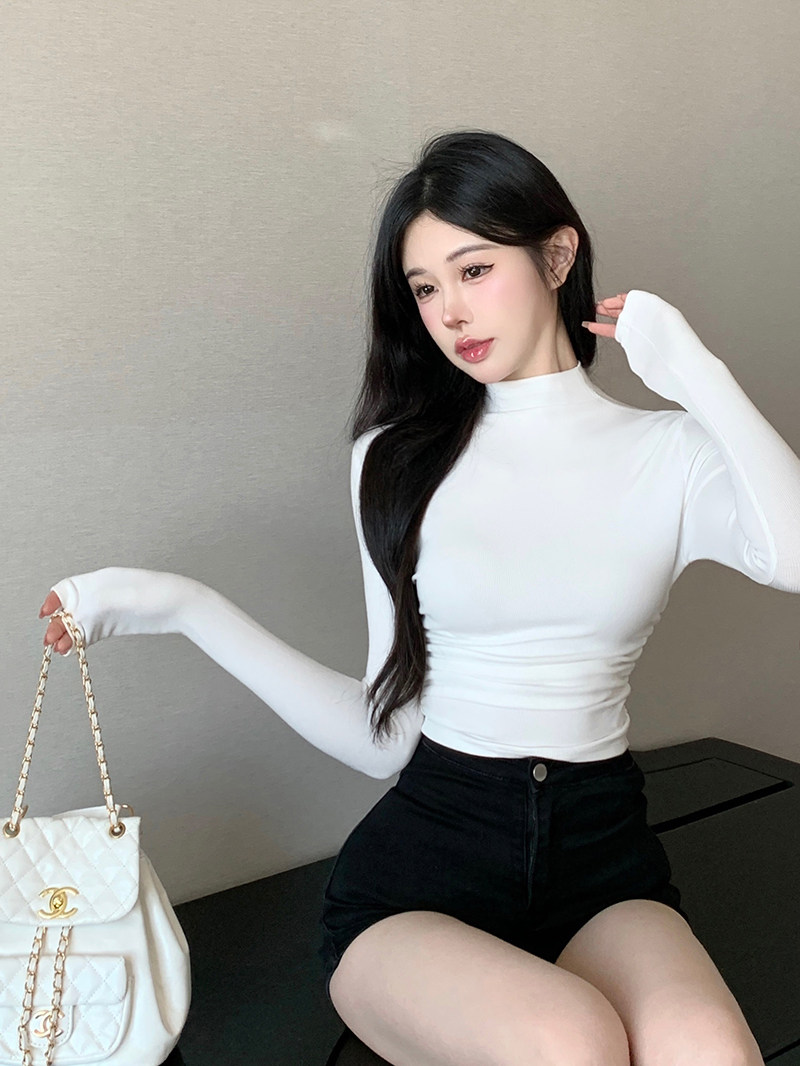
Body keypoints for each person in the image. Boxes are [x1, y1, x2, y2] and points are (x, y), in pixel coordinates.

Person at [39, 130, 797, 1065]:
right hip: (425, 873)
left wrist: (695, 377)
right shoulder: (396, 460)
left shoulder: (670, 453)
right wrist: (183, 605)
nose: (451, 312)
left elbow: (793, 558)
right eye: (426, 288)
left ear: (558, 255)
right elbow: (385, 734)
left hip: (601, 857)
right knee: (571, 1044)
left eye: (475, 270)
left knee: (713, 1052)